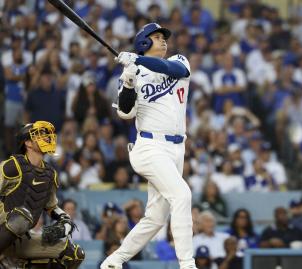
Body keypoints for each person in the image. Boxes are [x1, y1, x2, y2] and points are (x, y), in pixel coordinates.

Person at [101, 23, 196, 269]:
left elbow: (170, 68)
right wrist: (130, 81)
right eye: (156, 37)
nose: (163, 41)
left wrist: (137, 62)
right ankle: (187, 264)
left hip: (177, 149)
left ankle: (113, 261)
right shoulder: (134, 72)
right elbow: (125, 112)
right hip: (150, 147)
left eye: (163, 37)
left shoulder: (178, 60)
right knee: (182, 195)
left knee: (155, 218)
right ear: (143, 42)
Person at [0, 121, 84, 268]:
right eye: (39, 135)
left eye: (47, 135)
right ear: (27, 143)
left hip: (21, 237)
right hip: (3, 227)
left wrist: (65, 219)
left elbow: (51, 206)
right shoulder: (12, 166)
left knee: (74, 254)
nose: (46, 138)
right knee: (21, 217)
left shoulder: (50, 174)